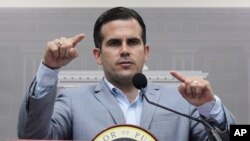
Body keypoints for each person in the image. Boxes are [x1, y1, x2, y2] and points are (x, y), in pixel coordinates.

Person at [18, 7, 236, 141]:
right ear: (98, 55)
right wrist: (49, 70)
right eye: (114, 43)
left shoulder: (182, 102)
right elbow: (31, 137)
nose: (124, 50)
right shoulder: (72, 101)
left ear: (146, 52)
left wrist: (209, 108)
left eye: (132, 42)